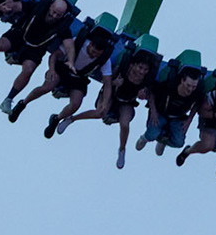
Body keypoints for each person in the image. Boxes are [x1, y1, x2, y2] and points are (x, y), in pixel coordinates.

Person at [60, 41, 159, 169]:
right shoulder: (124, 67)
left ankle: (122, 150)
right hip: (112, 94)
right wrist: (115, 82)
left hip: (127, 102)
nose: (142, 72)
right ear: (134, 64)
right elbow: (106, 81)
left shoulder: (146, 78)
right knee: (100, 112)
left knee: (125, 124)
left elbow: (150, 94)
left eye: (145, 70)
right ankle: (71, 119)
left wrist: (153, 110)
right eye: (140, 68)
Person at [27, 19, 118, 131]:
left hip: (79, 77)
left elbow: (107, 83)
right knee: (47, 87)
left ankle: (57, 119)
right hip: (64, 68)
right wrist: (51, 69)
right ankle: (24, 102)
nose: (94, 55)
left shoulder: (104, 59)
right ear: (90, 44)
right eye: (93, 52)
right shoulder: (78, 42)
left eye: (97, 54)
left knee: (75, 103)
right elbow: (55, 55)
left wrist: (105, 103)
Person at [138, 54, 207, 156]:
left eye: (193, 87)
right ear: (182, 80)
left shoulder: (196, 92)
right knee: (152, 134)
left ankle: (163, 141)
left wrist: (189, 120)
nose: (190, 89)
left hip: (178, 117)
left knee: (179, 143)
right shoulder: (169, 85)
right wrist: (153, 111)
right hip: (161, 112)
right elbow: (152, 92)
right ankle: (144, 138)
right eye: (188, 85)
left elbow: (197, 104)